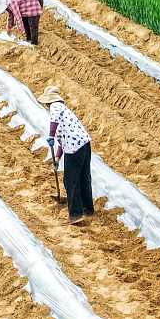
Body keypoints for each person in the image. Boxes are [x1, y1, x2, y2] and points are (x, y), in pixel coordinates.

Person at [37, 86, 94, 225]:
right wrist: (57, 158)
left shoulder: (56, 107)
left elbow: (54, 120)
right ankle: (87, 207)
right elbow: (62, 141)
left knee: (70, 180)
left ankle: (75, 213)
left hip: (74, 148)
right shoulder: (66, 112)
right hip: (84, 144)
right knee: (83, 177)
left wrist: (50, 135)